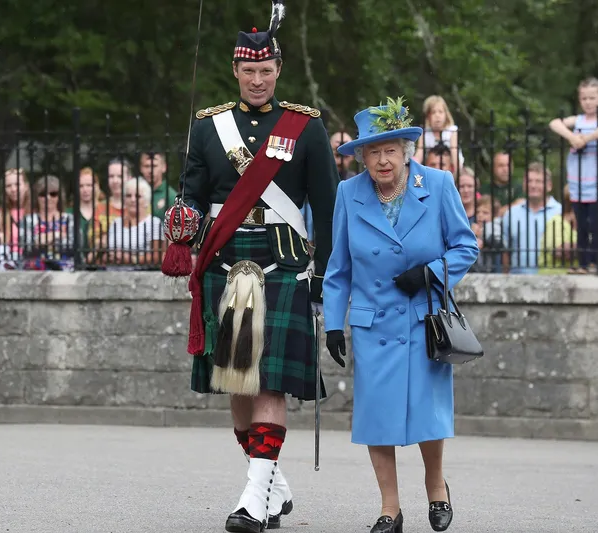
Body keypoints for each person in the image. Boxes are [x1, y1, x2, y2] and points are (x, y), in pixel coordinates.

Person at [179, 2, 339, 531]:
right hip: (223, 260)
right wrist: (181, 223)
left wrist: (325, 276)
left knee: (268, 381)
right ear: (235, 71)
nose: (256, 80)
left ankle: (252, 499)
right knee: (237, 382)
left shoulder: (305, 126)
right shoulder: (208, 128)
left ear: (278, 71)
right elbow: (194, 198)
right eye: (248, 72)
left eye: (265, 71)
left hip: (284, 265)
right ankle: (269, 482)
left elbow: (328, 208)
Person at [322, 97, 478, 533]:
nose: (383, 159)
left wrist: (429, 274)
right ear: (362, 157)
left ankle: (435, 485)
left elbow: (466, 247)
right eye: (373, 151)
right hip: (373, 323)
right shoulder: (347, 194)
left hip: (423, 321)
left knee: (427, 412)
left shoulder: (439, 184)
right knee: (377, 416)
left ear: (405, 150)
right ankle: (390, 508)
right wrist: (335, 323)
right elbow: (338, 268)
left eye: (391, 149)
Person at [549, 77, 598, 273]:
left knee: (595, 221)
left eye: (592, 98)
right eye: (584, 98)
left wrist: (585, 139)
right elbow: (555, 123)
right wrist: (571, 137)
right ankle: (583, 262)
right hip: (579, 178)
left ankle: (596, 261)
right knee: (581, 222)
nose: (588, 102)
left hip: (597, 178)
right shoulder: (577, 120)